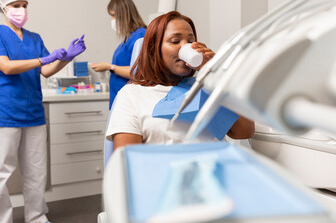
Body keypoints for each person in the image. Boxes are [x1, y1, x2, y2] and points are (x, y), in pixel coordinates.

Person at [0, 0, 86, 223]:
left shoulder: (34, 38)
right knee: (0, 174)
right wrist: (42, 59)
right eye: (16, 6)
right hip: (4, 112)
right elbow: (6, 67)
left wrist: (66, 57)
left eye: (24, 5)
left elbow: (47, 70)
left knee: (36, 172)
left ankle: (37, 218)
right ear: (3, 7)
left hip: (33, 113)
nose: (21, 10)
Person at [105, 11, 255, 150]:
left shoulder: (206, 88)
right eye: (175, 41)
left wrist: (217, 75)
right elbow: (127, 161)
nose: (186, 47)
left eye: (190, 41)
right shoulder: (131, 95)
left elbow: (245, 131)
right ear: (153, 49)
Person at [91, 0, 146, 109]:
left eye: (113, 15)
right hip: (119, 99)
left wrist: (110, 67)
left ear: (123, 14)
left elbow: (139, 72)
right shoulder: (129, 37)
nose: (112, 20)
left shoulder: (140, 35)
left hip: (130, 102)